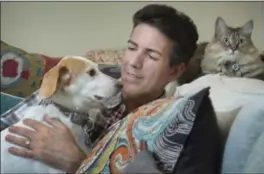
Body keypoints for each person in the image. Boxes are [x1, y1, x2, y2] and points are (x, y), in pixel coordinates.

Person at [1, 4, 199, 173]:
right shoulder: (79, 88)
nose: (133, 62)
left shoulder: (169, 128)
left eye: (151, 56)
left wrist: (77, 163)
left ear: (175, 71)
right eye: (131, 48)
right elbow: (6, 124)